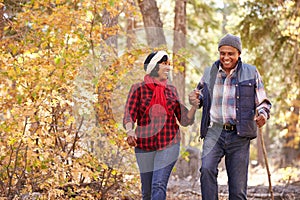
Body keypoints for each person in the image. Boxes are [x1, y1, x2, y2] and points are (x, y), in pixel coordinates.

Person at [189, 34, 272, 200]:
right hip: (214, 132)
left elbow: (263, 102)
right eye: (222, 53)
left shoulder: (251, 72)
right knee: (206, 169)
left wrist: (262, 114)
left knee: (237, 188)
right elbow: (199, 97)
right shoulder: (209, 72)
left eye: (230, 54)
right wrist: (195, 99)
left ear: (238, 54)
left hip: (239, 135)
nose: (226, 57)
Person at [123, 50, 197, 200]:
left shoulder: (171, 90)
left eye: (169, 64)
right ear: (154, 67)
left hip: (169, 143)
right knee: (147, 191)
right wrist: (130, 131)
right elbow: (129, 114)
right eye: (165, 64)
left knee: (158, 184)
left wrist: (195, 106)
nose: (168, 67)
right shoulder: (138, 89)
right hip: (144, 145)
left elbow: (184, 119)